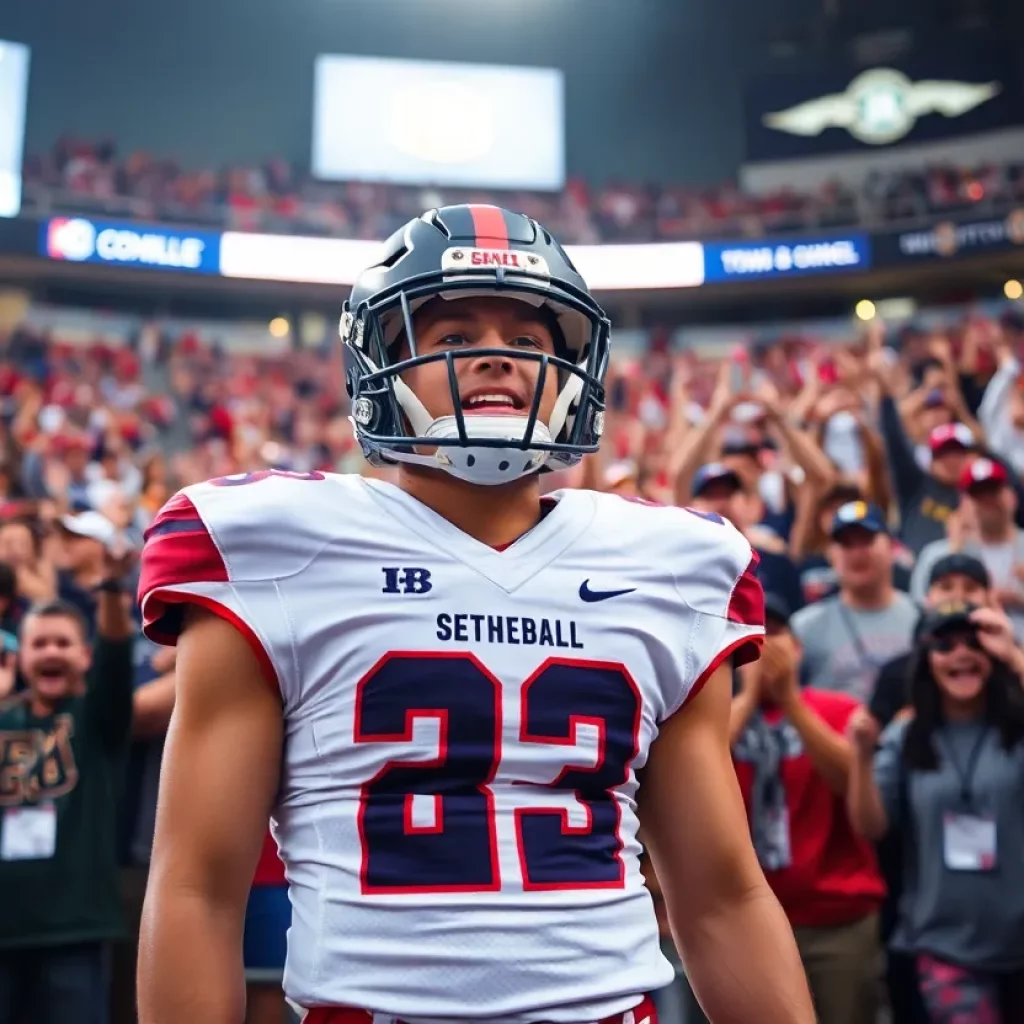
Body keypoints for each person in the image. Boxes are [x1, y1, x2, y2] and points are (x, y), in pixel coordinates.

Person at [136, 205, 815, 1023]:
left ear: (573, 373)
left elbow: (720, 898)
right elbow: (198, 889)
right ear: (382, 363)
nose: (497, 360)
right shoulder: (277, 548)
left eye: (529, 343)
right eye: (453, 336)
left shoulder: (669, 565)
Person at [848, 602, 1024, 1023]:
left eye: (974, 644)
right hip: (941, 941)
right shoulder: (906, 737)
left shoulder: (1016, 728)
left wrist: (1014, 654)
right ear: (926, 661)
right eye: (945, 645)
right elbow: (870, 827)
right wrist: (860, 757)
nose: (961, 655)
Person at [731, 594, 885, 1024]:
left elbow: (850, 782)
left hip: (837, 921)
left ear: (798, 649)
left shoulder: (838, 709)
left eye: (777, 635)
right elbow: (697, 770)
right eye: (757, 637)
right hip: (750, 925)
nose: (767, 647)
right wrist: (748, 697)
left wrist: (791, 702)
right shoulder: (718, 718)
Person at [0, 548, 136, 1024]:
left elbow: (118, 661)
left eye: (63, 643)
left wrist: (114, 593)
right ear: (21, 658)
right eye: (40, 644)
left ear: (83, 655)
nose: (52, 652)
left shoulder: (97, 721)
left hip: (74, 931)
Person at [790, 500, 918, 702]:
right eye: (846, 543)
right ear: (831, 554)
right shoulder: (804, 627)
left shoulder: (918, 618)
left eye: (866, 540)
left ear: (891, 547)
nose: (857, 552)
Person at [911, 458, 1024, 638]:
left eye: (993, 492)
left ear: (1012, 497)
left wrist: (1018, 599)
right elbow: (920, 613)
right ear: (963, 502)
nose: (987, 501)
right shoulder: (937, 553)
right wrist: (955, 550)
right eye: (978, 495)